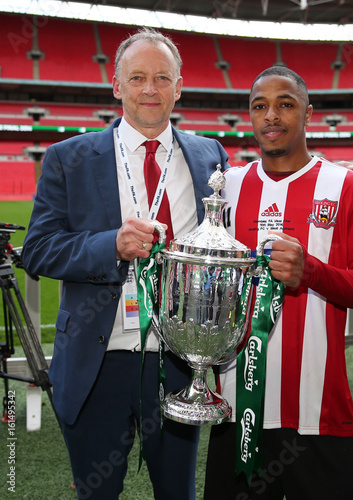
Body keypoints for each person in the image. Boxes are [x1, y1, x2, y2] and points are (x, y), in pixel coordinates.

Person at [21, 28, 229, 500]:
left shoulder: (210, 155)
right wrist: (109, 244)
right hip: (99, 361)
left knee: (178, 492)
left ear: (179, 86)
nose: (150, 89)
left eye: (162, 78)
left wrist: (343, 175)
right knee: (97, 494)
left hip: (179, 360)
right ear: (117, 86)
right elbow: (37, 250)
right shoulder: (67, 159)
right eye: (137, 77)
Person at [203, 67, 353, 500]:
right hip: (238, 411)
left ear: (309, 113)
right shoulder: (226, 190)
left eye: (285, 104)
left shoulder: (348, 187)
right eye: (259, 106)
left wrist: (311, 272)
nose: (271, 115)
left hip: (319, 414)